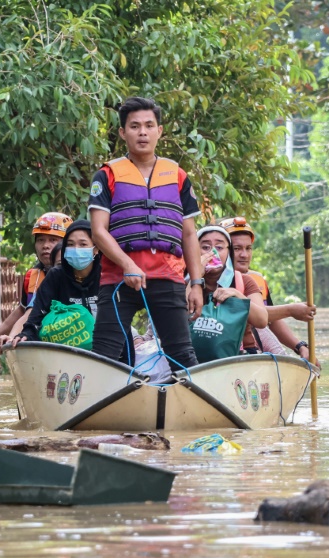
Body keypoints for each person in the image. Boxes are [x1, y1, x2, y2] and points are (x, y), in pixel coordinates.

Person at [89, 97, 204, 368]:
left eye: (149, 125)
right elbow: (98, 232)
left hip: (168, 276)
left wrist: (196, 283)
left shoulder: (178, 176)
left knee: (182, 355)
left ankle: (192, 406)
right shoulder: (106, 176)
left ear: (159, 131)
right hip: (118, 279)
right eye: (135, 126)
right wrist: (128, 265)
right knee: (104, 355)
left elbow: (189, 235)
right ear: (122, 132)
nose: (142, 132)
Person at [220, 216, 315, 363]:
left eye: (248, 248)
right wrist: (291, 310)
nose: (244, 255)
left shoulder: (257, 279)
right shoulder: (214, 278)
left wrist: (300, 346)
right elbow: (259, 316)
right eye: (237, 248)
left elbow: (270, 320)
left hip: (256, 348)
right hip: (226, 349)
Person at [0, 211, 70, 360]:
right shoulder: (33, 275)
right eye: (40, 240)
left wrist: (11, 337)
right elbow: (24, 309)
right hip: (35, 346)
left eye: (53, 240)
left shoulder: (78, 274)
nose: (46, 246)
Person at [4, 219, 101, 347]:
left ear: (96, 248)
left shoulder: (106, 276)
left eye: (83, 244)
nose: (76, 249)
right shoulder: (55, 276)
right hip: (61, 352)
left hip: (103, 350)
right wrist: (25, 334)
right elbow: (35, 316)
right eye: (70, 244)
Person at [195, 225, 268, 354]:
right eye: (206, 247)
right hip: (193, 356)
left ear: (228, 253)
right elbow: (180, 317)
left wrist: (237, 295)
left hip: (238, 357)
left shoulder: (244, 281)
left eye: (219, 247)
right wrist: (196, 276)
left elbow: (262, 320)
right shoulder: (183, 282)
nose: (213, 253)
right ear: (194, 251)